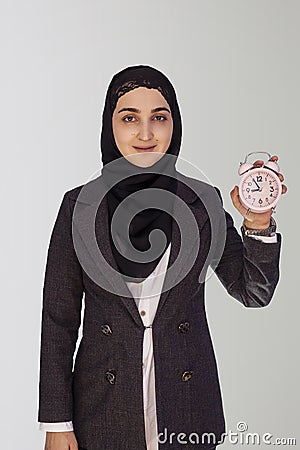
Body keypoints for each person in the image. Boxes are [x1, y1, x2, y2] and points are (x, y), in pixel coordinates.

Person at [38, 65, 287, 450]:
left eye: (159, 117)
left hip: (188, 410)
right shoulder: (78, 207)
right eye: (129, 118)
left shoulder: (202, 201)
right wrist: (57, 422)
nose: (145, 133)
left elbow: (253, 292)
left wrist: (257, 221)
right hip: (101, 412)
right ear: (110, 126)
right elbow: (59, 320)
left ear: (175, 125)